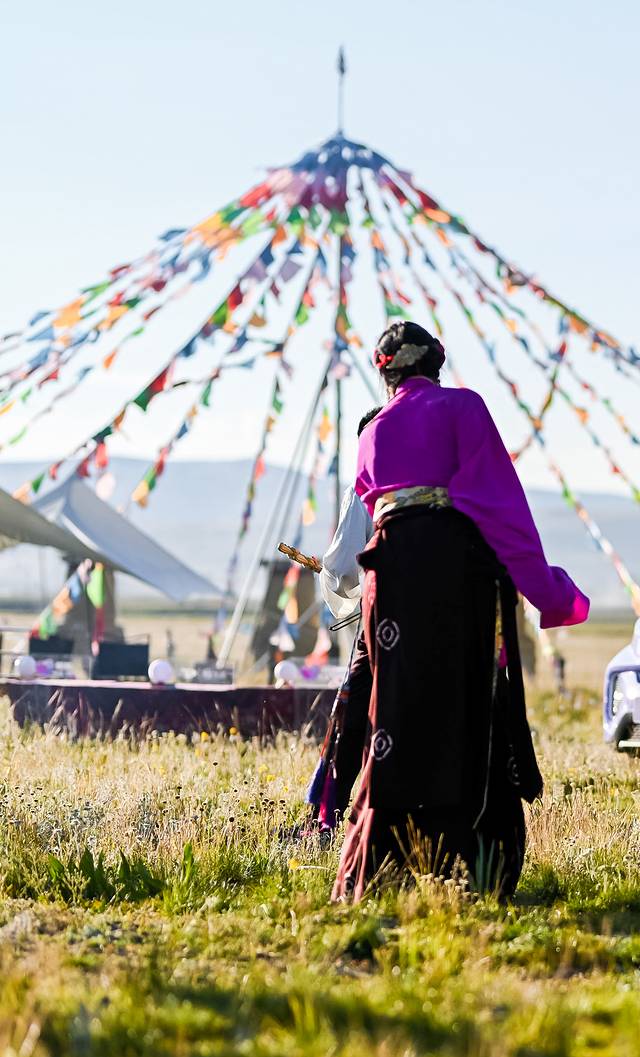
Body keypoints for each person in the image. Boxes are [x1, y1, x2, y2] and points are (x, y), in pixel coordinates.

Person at [332, 320, 589, 903]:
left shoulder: (372, 430)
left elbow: (369, 515)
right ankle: (472, 868)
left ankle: (381, 867)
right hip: (452, 577)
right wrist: (549, 592)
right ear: (436, 366)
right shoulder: (462, 408)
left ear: (386, 373)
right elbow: (500, 507)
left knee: (393, 713)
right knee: (464, 707)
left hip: (388, 582)